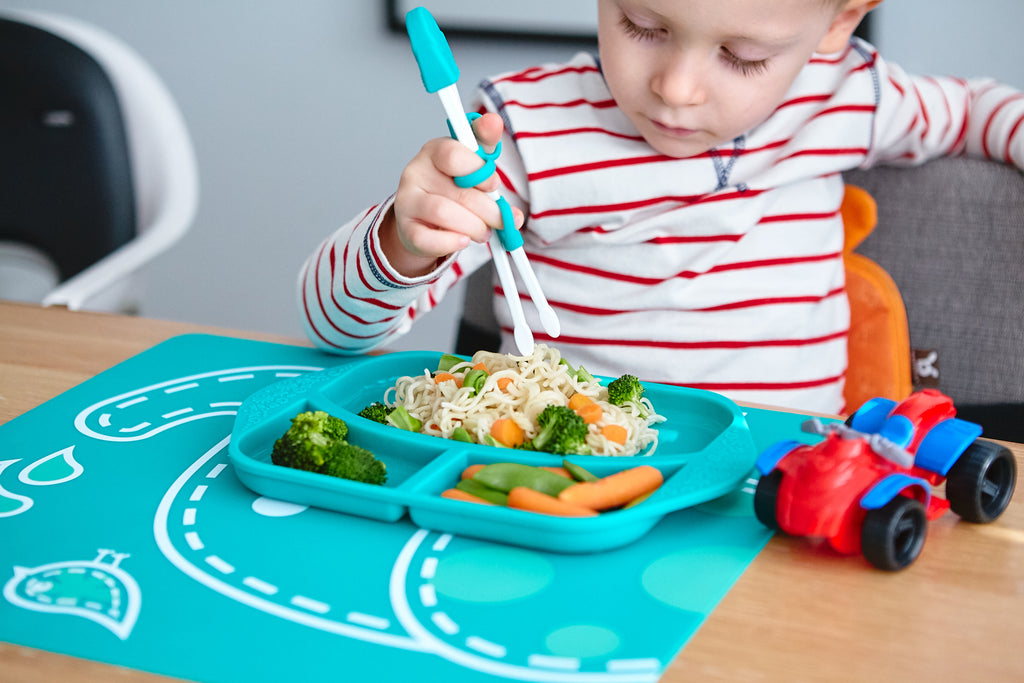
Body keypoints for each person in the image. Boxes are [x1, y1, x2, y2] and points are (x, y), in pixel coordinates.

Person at [298, 0, 1024, 414]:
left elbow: (970, 110)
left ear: (839, 23)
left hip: (782, 482)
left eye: (742, 56)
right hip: (586, 484)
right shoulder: (529, 132)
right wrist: (401, 241)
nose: (675, 88)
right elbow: (335, 328)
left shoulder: (848, 95)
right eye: (642, 25)